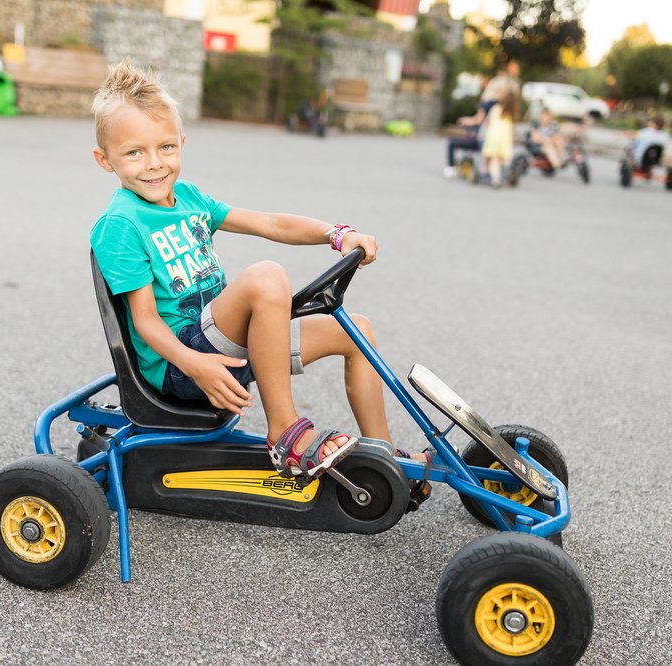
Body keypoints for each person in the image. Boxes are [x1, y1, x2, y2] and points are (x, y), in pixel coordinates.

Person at [89, 62, 427, 484]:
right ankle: (284, 430)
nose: (155, 164)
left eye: (166, 148)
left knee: (358, 331)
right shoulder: (122, 224)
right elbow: (145, 322)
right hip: (182, 363)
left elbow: (270, 223)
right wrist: (196, 364)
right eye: (134, 153)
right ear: (106, 160)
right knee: (266, 276)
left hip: (228, 342)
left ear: (181, 142)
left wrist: (336, 234)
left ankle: (385, 459)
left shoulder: (189, 198)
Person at [481, 89, 518, 188]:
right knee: (503, 159)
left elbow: (486, 123)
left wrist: (482, 133)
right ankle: (507, 170)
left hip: (493, 137)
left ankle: (495, 178)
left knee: (494, 159)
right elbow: (513, 130)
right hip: (504, 139)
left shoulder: (496, 108)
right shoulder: (512, 113)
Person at [527, 105, 566, 170]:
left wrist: (552, 140)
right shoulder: (536, 124)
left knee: (558, 140)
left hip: (551, 144)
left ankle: (562, 156)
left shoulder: (553, 125)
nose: (546, 118)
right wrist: (547, 140)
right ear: (541, 116)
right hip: (537, 145)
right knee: (549, 147)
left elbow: (557, 136)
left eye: (547, 116)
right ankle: (557, 163)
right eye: (544, 116)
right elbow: (535, 138)